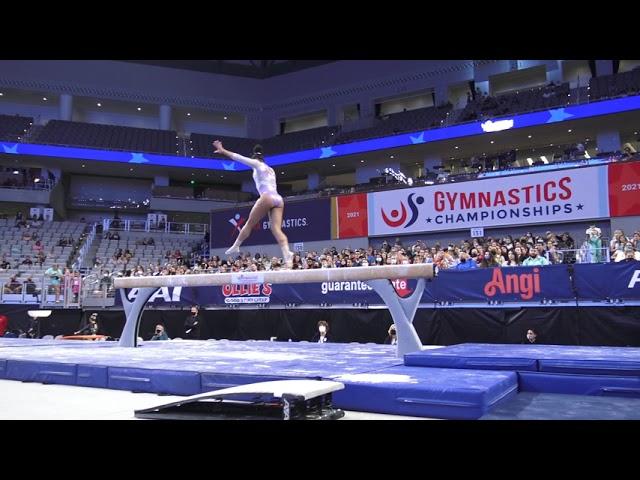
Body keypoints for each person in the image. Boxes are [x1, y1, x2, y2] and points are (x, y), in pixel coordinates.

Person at [213, 141, 294, 268]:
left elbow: (238, 157)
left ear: (254, 156)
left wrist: (223, 150)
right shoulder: (271, 169)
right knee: (276, 229)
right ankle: (287, 254)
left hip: (267, 196)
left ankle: (236, 245)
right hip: (278, 199)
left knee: (250, 223)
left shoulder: (256, 164)